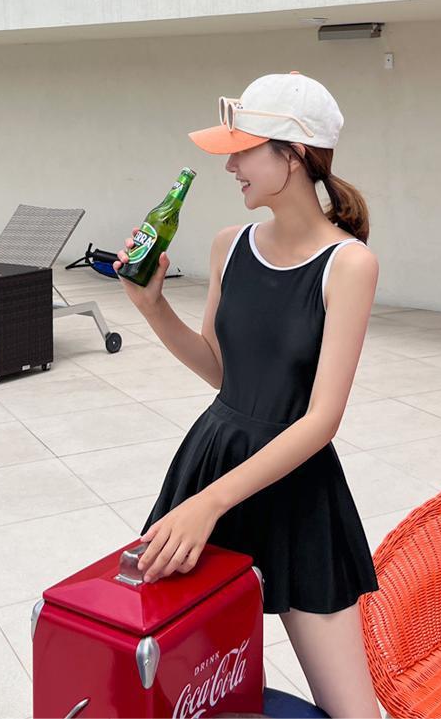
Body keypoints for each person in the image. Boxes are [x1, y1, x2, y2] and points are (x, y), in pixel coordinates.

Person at [113, 71, 382, 719]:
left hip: (294, 487)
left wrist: (208, 505)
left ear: (294, 155)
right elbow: (221, 372)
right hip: (213, 460)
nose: (229, 165)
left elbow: (320, 420)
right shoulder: (228, 246)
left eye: (243, 150)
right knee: (184, 689)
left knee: (353, 710)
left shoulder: (348, 264)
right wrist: (151, 306)